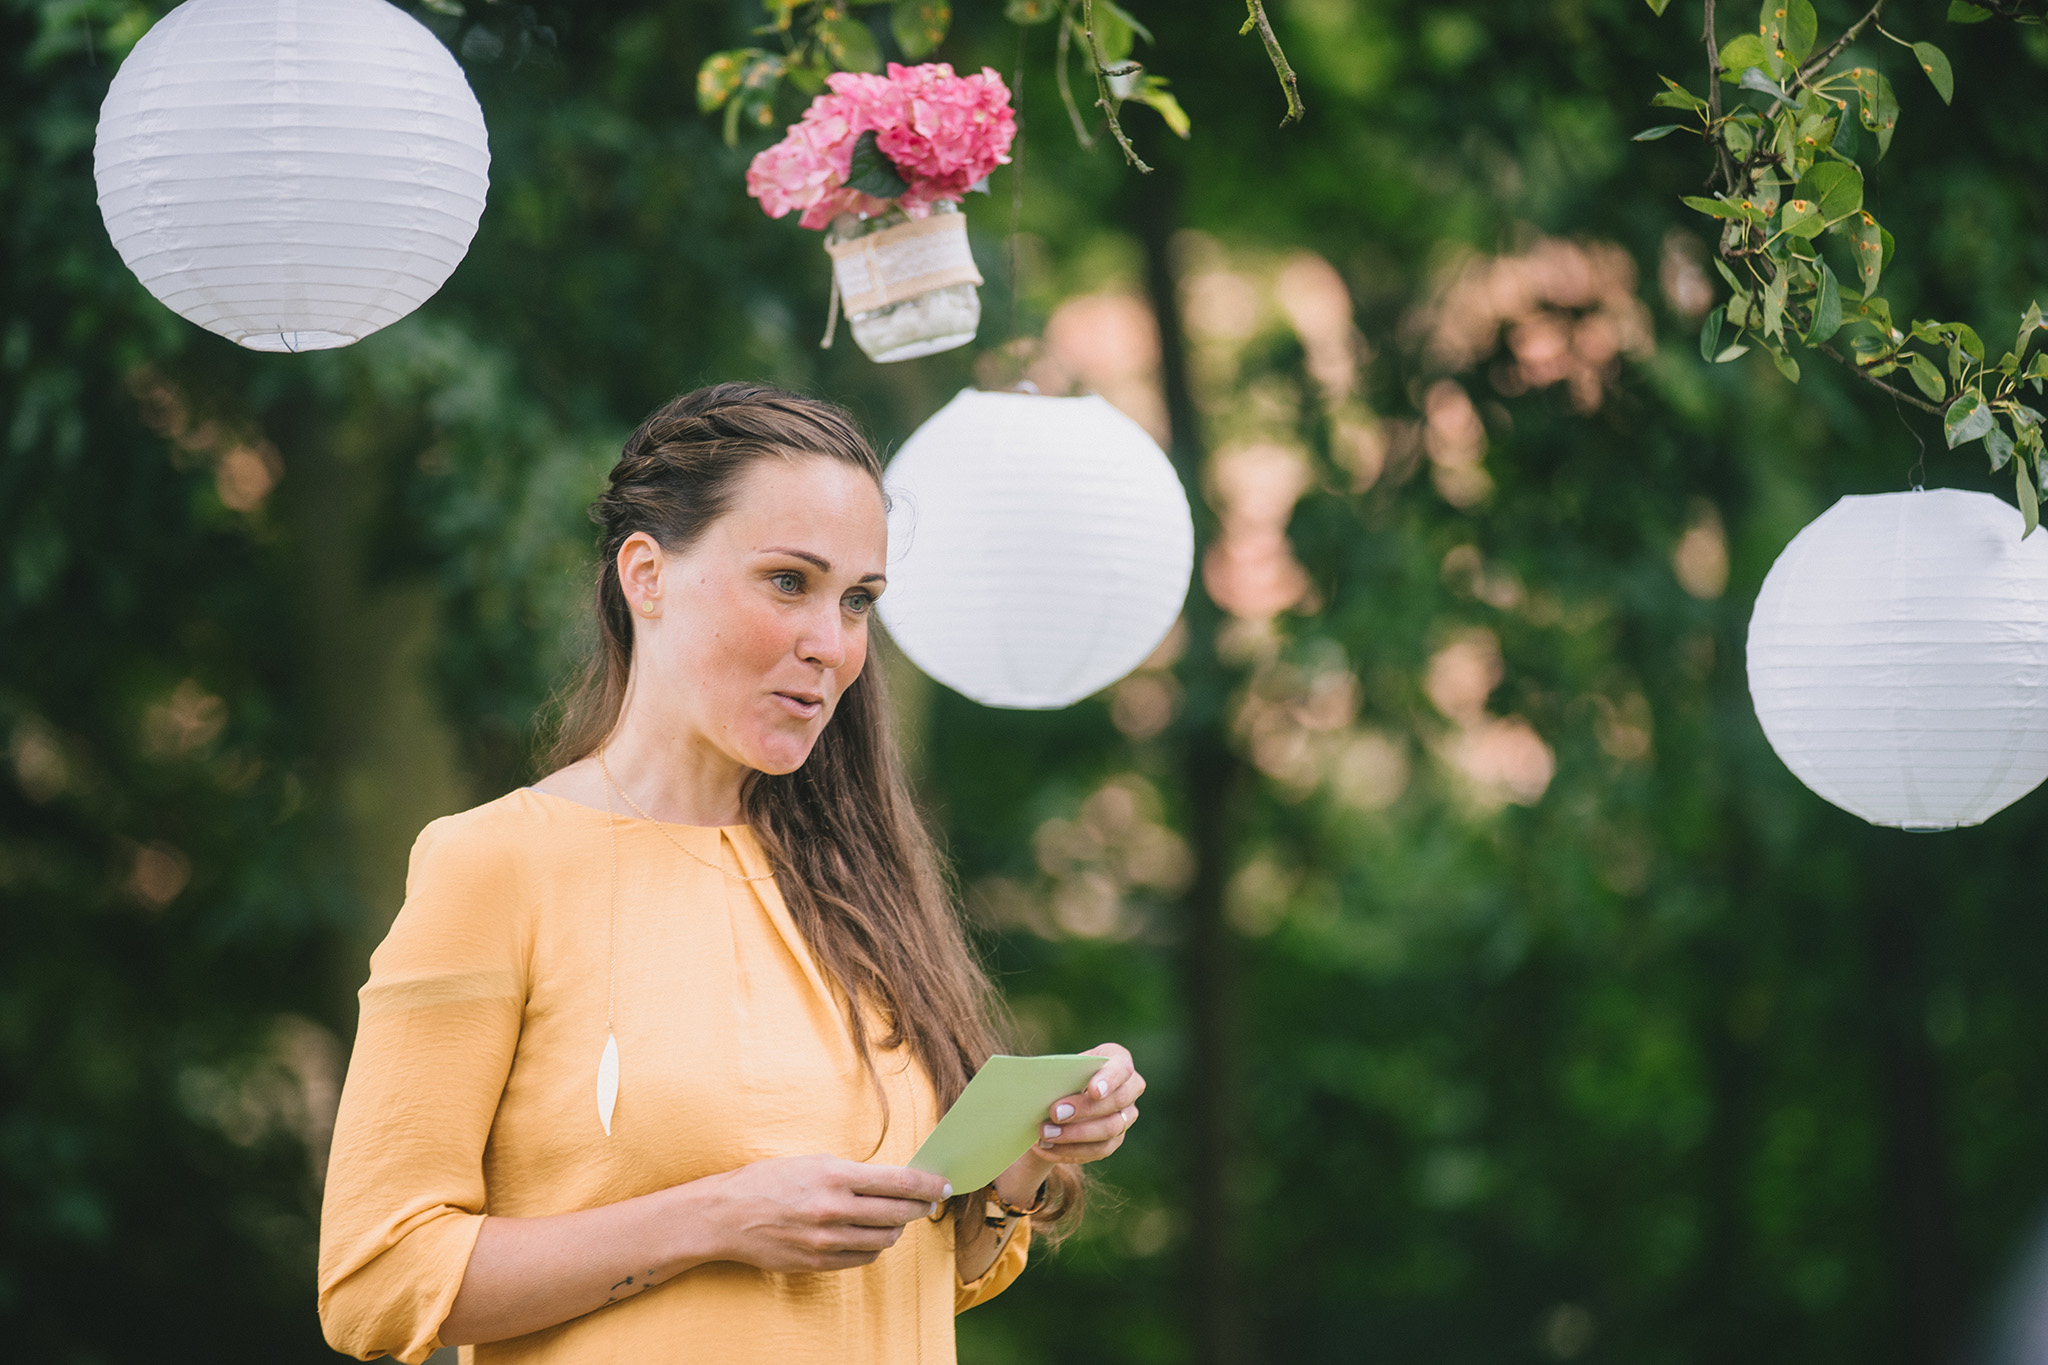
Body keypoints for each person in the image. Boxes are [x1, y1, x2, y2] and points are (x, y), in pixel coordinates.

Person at [316, 384, 1146, 1363]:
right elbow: (376, 1281)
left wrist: (1017, 1164)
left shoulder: (855, 874)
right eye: (789, 582)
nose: (831, 645)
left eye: (858, 601)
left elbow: (917, 1272)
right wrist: (712, 1219)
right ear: (646, 575)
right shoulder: (496, 864)